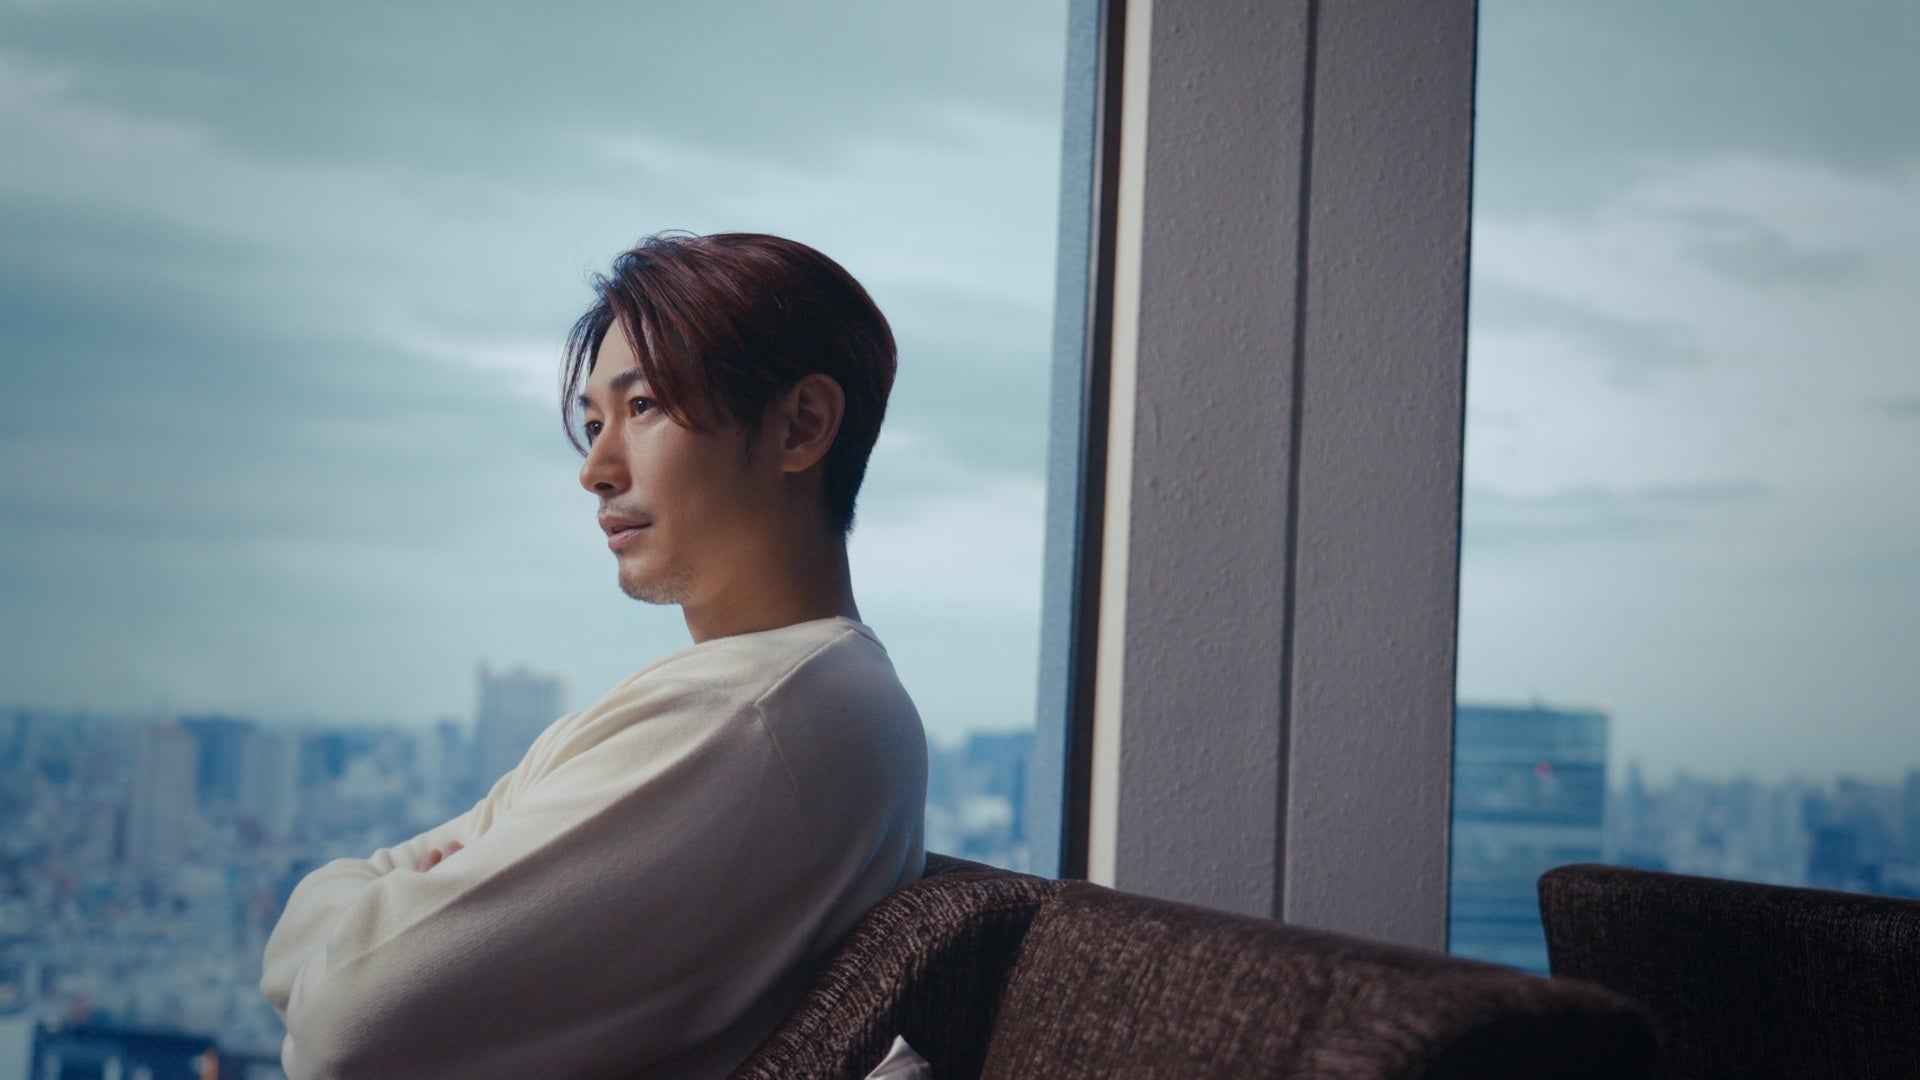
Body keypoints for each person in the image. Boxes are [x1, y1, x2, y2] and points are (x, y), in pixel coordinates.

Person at [260, 233, 928, 1079]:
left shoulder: (749, 714)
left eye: (642, 406)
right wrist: (383, 922)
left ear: (801, 426)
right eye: (591, 424)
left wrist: (376, 908)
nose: (596, 471)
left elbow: (343, 1023)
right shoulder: (805, 694)